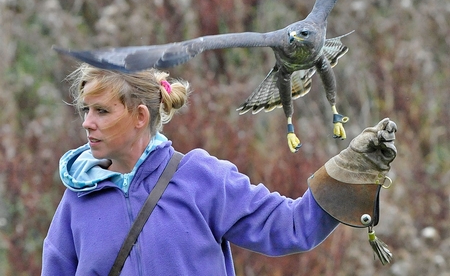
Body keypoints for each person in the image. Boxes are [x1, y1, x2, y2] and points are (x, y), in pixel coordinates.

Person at [41, 64, 397, 275]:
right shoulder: (78, 199)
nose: (87, 123)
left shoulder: (199, 179)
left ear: (139, 116)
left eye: (101, 111)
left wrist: (347, 173)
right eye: (85, 111)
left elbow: (291, 227)